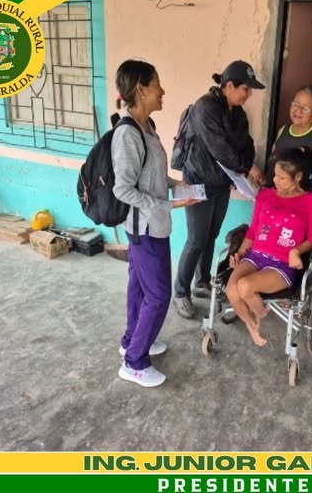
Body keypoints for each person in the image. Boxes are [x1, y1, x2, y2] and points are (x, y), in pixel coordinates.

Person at [111, 59, 198, 388]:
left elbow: (153, 176)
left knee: (139, 286)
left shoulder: (147, 126)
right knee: (159, 294)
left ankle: (132, 341)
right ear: (141, 89)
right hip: (144, 228)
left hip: (155, 223)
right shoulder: (128, 133)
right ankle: (134, 362)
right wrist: (171, 204)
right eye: (157, 84)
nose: (163, 91)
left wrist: (178, 186)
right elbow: (123, 189)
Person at [173, 60, 266, 319]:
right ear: (229, 86)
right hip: (197, 182)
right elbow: (221, 149)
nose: (249, 94)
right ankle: (180, 292)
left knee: (211, 236)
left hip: (221, 183)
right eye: (246, 88)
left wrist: (248, 165)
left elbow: (246, 145)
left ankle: (202, 281)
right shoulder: (205, 108)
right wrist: (245, 168)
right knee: (196, 239)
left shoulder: (238, 114)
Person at [226, 148, 312, 347]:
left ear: (298, 177)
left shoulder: (309, 200)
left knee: (244, 286)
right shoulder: (265, 195)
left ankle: (261, 312)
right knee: (231, 290)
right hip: (254, 256)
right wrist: (239, 253)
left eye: (282, 178)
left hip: (281, 264)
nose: (275, 181)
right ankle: (251, 324)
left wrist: (296, 251)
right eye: (275, 175)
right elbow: (253, 231)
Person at [268, 84, 312, 207]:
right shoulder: (283, 130)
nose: (298, 111)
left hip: (304, 203)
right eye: (295, 104)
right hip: (276, 198)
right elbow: (273, 160)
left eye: (305, 108)